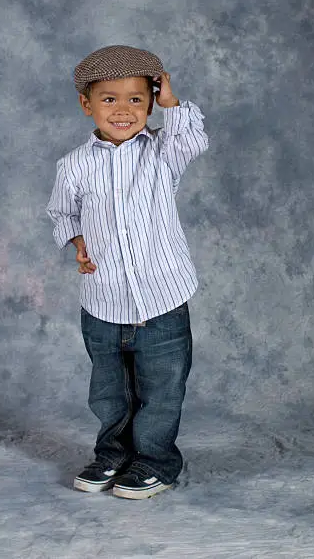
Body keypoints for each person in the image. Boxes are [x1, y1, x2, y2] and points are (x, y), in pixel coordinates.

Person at [46, 45, 209, 500]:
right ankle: (113, 454)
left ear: (152, 102)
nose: (123, 110)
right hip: (103, 301)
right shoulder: (74, 165)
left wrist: (172, 100)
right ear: (87, 104)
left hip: (162, 300)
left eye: (136, 99)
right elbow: (63, 214)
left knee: (161, 390)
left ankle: (154, 461)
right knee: (109, 392)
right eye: (109, 99)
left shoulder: (162, 153)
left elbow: (192, 139)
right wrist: (77, 242)